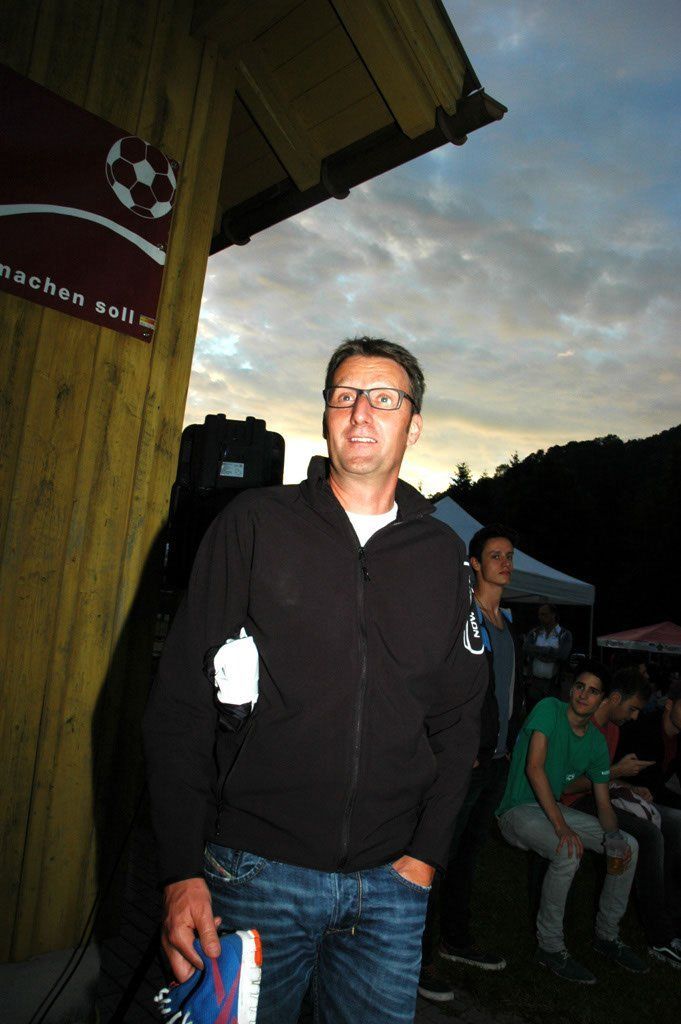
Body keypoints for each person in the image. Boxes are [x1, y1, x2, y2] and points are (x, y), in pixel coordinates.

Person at [143, 336, 488, 1024]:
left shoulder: (443, 555)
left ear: (414, 424)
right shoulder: (254, 524)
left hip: (390, 889)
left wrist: (424, 857)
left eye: (383, 398)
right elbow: (179, 705)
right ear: (326, 414)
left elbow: (459, 722)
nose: (361, 412)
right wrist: (180, 870)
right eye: (344, 396)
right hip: (255, 874)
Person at [418, 525, 522, 1001]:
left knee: (467, 858)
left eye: (509, 555)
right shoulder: (464, 620)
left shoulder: (508, 627)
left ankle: (456, 940)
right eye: (495, 555)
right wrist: (460, 749)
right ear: (475, 565)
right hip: (465, 763)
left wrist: (505, 745)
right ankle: (417, 961)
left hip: (496, 761)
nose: (505, 563)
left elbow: (506, 693)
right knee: (434, 859)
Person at [496, 662, 647, 984]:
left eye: (593, 691)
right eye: (580, 686)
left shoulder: (595, 743)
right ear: (572, 688)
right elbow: (534, 768)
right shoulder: (549, 709)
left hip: (552, 812)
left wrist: (613, 837)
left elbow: (603, 803)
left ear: (602, 699)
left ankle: (607, 936)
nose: (583, 695)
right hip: (518, 810)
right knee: (567, 850)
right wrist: (561, 826)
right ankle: (550, 947)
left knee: (629, 846)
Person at [562, 667, 681, 968]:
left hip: (600, 798)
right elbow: (566, 784)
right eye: (632, 709)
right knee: (646, 837)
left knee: (663, 828)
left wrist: (626, 784)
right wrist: (616, 773)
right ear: (615, 699)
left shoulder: (612, 730)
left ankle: (655, 923)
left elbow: (602, 777)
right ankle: (658, 935)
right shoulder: (583, 723)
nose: (635, 716)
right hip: (574, 802)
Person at [617, 678, 681, 810]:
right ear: (669, 704)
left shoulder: (676, 738)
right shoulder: (641, 729)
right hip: (622, 798)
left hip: (649, 800)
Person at [523, 603, 572, 711]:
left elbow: (562, 655)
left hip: (553, 684)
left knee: (550, 712)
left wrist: (538, 652)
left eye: (544, 614)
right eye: (539, 614)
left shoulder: (565, 634)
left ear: (553, 615)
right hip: (534, 682)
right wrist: (549, 652)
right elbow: (526, 648)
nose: (540, 617)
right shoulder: (534, 633)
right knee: (532, 712)